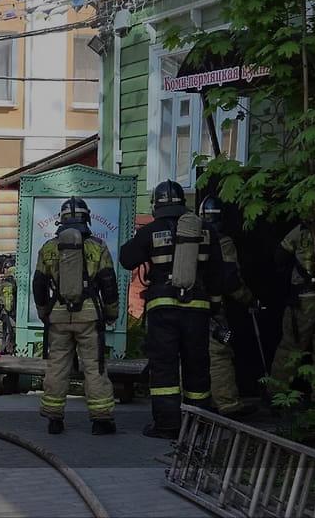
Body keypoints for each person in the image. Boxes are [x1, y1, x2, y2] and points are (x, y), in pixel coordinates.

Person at [119, 180, 225, 439]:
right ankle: (198, 424)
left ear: (156, 205)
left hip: (162, 308)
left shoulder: (151, 230)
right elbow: (218, 274)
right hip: (198, 308)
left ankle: (167, 425)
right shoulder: (207, 230)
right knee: (197, 366)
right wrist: (215, 306)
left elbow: (127, 259)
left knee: (164, 367)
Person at [33, 197, 120, 435]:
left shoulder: (49, 248)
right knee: (94, 366)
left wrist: (44, 313)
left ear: (61, 220)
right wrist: (111, 313)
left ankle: (54, 418)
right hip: (89, 317)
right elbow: (109, 284)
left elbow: (39, 285)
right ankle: (101, 421)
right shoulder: (98, 247)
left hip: (58, 317)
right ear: (86, 218)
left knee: (57, 366)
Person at [270, 220, 315, 403]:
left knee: (291, 348)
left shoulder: (302, 230)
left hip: (304, 298)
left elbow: (279, 256)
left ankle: (277, 394)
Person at [199, 196, 258, 419]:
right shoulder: (223, 242)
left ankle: (195, 403)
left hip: (184, 306)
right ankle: (227, 403)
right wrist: (248, 299)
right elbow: (230, 280)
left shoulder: (188, 238)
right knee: (219, 354)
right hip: (212, 308)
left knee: (190, 353)